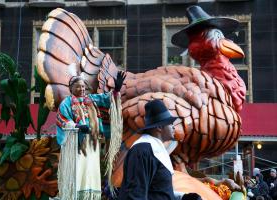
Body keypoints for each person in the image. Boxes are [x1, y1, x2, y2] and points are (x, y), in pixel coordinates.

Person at [56, 71, 126, 200]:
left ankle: (90, 197)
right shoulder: (66, 103)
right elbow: (62, 120)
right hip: (76, 145)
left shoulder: (91, 100)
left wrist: (116, 89)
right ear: (71, 88)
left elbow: (107, 99)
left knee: (90, 172)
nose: (81, 89)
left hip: (92, 144)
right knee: (78, 171)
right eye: (78, 86)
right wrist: (76, 126)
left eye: (83, 86)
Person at [118, 99, 201, 200]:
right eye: (170, 123)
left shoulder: (154, 149)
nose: (173, 127)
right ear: (160, 127)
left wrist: (183, 197)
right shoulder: (142, 151)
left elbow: (158, 193)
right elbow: (135, 195)